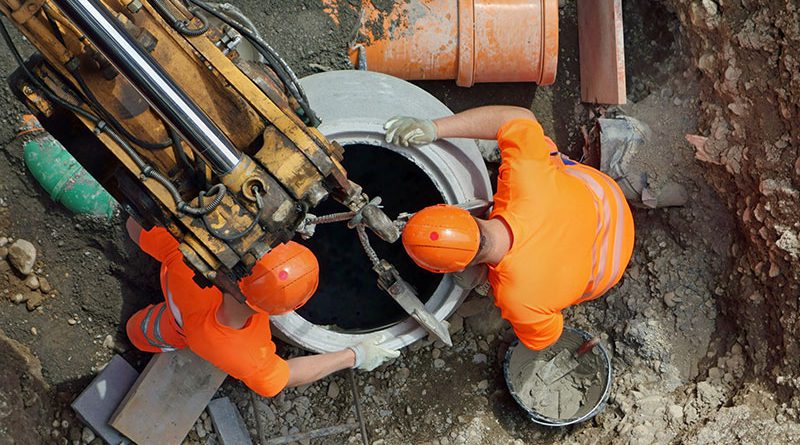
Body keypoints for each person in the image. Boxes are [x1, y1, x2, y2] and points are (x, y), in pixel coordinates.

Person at [384, 106, 635, 351]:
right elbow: (519, 117)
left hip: (607, 269)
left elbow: (546, 339)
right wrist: (435, 128)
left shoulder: (518, 298)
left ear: (457, 269)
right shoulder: (523, 180)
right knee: (535, 149)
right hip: (608, 199)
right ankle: (512, 147)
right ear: (459, 211)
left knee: (546, 297)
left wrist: (490, 279)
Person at [125, 218, 399, 397]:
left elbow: (135, 226)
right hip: (181, 330)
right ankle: (138, 336)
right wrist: (355, 355)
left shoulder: (195, 252)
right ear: (281, 311)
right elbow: (284, 377)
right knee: (144, 332)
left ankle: (137, 333)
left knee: (138, 329)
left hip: (176, 294)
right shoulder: (246, 355)